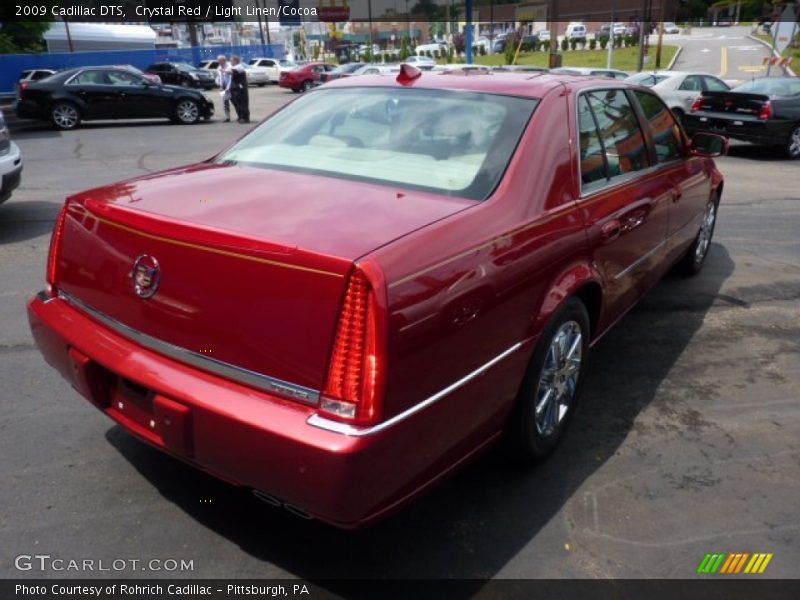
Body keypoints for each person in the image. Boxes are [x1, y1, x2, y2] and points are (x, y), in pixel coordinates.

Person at [229, 55, 250, 124]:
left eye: (231, 61)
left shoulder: (239, 67)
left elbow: (231, 70)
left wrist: (224, 70)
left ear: (235, 61)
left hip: (241, 89)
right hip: (237, 88)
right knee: (238, 103)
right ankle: (241, 117)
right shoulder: (235, 67)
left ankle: (245, 118)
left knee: (243, 103)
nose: (230, 62)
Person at [215, 55, 232, 122]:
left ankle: (240, 116)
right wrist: (218, 83)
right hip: (223, 87)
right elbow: (218, 77)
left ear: (224, 60)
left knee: (235, 101)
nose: (218, 62)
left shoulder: (229, 66)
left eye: (220, 60)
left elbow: (231, 77)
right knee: (225, 102)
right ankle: (227, 117)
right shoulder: (219, 67)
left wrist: (229, 86)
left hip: (230, 87)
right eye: (218, 60)